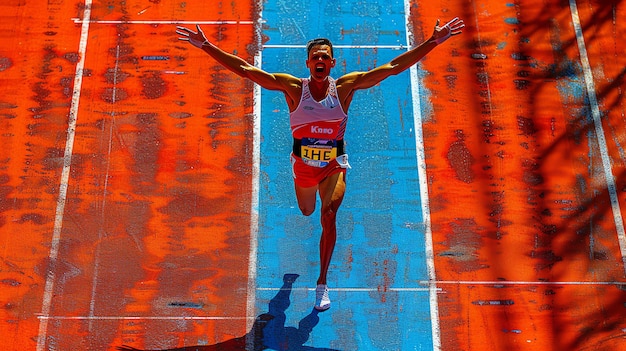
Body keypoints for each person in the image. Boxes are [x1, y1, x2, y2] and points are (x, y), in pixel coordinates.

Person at [176, 17, 464, 311]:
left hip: (334, 165)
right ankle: (288, 284)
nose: (321, 60)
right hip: (303, 167)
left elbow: (391, 69)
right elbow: (247, 71)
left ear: (333, 63)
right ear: (308, 63)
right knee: (306, 210)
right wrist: (207, 46)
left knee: (328, 215)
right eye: (316, 57)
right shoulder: (292, 89)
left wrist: (432, 41)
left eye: (326, 56)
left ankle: (322, 283)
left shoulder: (344, 88)